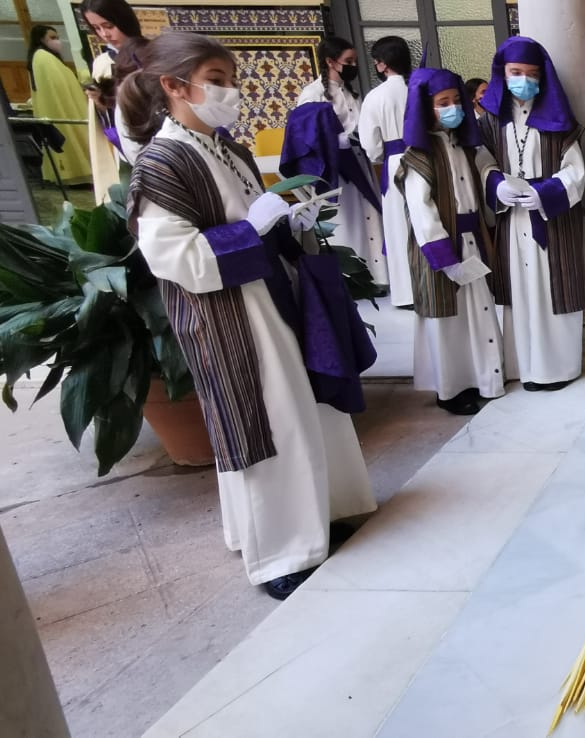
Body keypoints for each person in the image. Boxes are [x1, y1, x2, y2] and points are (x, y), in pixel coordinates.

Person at [121, 32, 377, 599]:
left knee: (297, 412)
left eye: (230, 80)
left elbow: (259, 219)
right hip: (228, 315)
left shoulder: (227, 148)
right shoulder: (164, 162)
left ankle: (316, 518)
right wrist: (250, 230)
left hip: (272, 300)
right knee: (262, 423)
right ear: (172, 85)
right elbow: (173, 256)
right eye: (216, 81)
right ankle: (281, 552)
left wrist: (293, 223)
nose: (230, 92)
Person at [394, 66, 510, 414]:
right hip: (442, 248)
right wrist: (445, 257)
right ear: (425, 108)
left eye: (456, 101)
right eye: (442, 102)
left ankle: (485, 376)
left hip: (471, 239)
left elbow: (482, 177)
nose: (452, 108)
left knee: (477, 311)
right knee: (448, 321)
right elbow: (421, 210)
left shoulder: (465, 146)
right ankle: (451, 389)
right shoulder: (418, 157)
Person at [478, 37, 585, 391]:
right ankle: (524, 366)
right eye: (515, 72)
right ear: (502, 73)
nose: (523, 79)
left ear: (543, 76)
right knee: (521, 292)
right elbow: (481, 162)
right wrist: (496, 184)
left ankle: (557, 368)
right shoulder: (491, 120)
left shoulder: (559, 117)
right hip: (512, 219)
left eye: (531, 73)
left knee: (554, 288)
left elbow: (576, 171)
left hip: (550, 218)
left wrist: (544, 193)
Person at [295, 36, 387, 289]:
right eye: (348, 61)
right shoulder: (312, 94)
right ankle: (350, 280)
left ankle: (377, 276)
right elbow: (306, 135)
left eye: (355, 60)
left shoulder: (350, 92)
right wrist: (339, 140)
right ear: (330, 61)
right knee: (345, 220)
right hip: (333, 168)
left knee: (369, 215)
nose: (353, 65)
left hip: (358, 160)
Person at [358, 36, 416, 308]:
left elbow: (371, 145)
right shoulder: (420, 89)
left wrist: (382, 156)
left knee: (398, 226)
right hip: (427, 159)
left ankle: (406, 292)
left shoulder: (375, 97)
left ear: (381, 65)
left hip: (395, 164)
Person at [83, 0, 143, 200]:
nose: (105, 34)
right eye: (97, 28)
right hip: (125, 146)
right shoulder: (103, 63)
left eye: (109, 26)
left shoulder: (152, 54)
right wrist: (102, 105)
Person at [28, 25, 92, 185]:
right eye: (52, 38)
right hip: (61, 109)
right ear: (41, 39)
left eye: (57, 37)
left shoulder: (42, 57)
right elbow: (58, 87)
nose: (57, 41)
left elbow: (64, 82)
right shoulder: (43, 57)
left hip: (62, 107)